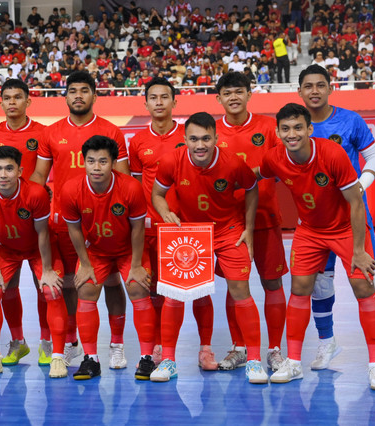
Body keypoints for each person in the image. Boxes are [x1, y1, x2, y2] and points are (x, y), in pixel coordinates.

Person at [261, 103, 375, 391]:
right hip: (309, 231)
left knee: (364, 287)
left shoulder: (332, 153)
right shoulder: (274, 158)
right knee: (300, 289)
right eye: (285, 129)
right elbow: (253, 177)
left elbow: (356, 201)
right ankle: (293, 362)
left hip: (346, 229)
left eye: (297, 127)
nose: (292, 134)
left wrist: (358, 250)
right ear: (278, 132)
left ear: (309, 129)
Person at [151, 112, 268, 384]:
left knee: (241, 291)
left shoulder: (232, 164)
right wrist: (165, 211)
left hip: (228, 231)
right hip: (190, 231)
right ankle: (169, 360)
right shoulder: (172, 161)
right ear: (185, 139)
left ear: (216, 138)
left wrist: (248, 229)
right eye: (193, 139)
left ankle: (253, 361)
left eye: (206, 138)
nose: (200, 144)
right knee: (174, 294)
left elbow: (252, 189)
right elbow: (157, 193)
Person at [30, 71, 131, 368]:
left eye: (84, 90)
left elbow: (123, 178)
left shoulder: (112, 131)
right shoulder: (50, 132)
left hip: (104, 221)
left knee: (112, 282)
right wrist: (31, 202)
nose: (78, 95)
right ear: (65, 97)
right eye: (72, 90)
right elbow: (39, 175)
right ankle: (73, 341)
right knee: (74, 284)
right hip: (65, 221)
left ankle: (117, 345)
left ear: (94, 96)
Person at [296, 64, 375, 369]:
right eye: (308, 86)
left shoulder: (350, 120)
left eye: (320, 85)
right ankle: (327, 343)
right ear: (299, 91)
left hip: (350, 218)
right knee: (320, 285)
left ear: (330, 88)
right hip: (314, 222)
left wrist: (361, 184)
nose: (314, 91)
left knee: (367, 282)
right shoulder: (294, 125)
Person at [128, 77, 217, 369]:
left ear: (174, 102)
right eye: (153, 97)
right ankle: (158, 348)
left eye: (164, 97)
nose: (158, 102)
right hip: (154, 228)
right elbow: (138, 187)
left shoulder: (190, 135)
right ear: (145, 103)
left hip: (191, 227)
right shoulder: (138, 141)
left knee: (200, 291)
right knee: (157, 291)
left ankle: (205, 349)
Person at [62, 135, 156, 380]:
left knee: (138, 287)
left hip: (128, 250)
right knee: (85, 289)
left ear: (114, 162)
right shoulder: (71, 189)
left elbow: (138, 229)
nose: (96, 167)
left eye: (103, 161)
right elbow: (74, 229)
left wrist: (136, 265)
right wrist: (84, 263)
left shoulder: (130, 187)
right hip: (96, 251)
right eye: (90, 161)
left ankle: (146, 358)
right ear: (83, 162)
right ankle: (91, 359)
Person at [0, 146, 68, 378]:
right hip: (7, 249)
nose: (3, 174)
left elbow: (43, 233)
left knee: (51, 290)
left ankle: (57, 356)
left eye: (9, 169)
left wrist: (46, 270)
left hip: (38, 248)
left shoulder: (35, 194)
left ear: (20, 171)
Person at [214, 72, 288, 371]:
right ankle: (239, 347)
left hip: (265, 217)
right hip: (228, 223)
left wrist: (252, 173)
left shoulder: (269, 127)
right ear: (218, 98)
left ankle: (273, 349)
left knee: (272, 282)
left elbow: (282, 163)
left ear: (249, 94)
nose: (234, 97)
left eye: (239, 91)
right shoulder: (212, 131)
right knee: (236, 286)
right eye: (227, 92)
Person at [0, 79, 53, 365]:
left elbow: (40, 176)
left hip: (35, 216)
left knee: (46, 286)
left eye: (18, 97)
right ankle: (17, 342)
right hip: (4, 222)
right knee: (7, 286)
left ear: (28, 101)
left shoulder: (42, 132)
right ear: (0, 102)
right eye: (7, 97)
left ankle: (47, 342)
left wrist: (27, 202)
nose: (12, 102)